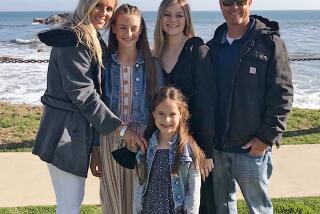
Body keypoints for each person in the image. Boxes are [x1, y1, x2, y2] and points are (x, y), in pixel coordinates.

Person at [32, 1, 148, 213]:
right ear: (86, 4)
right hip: (64, 133)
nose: (103, 13)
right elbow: (84, 95)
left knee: (72, 200)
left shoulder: (90, 37)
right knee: (69, 203)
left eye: (109, 9)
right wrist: (121, 128)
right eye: (98, 5)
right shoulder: (72, 39)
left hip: (78, 133)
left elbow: (96, 95)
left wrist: (95, 147)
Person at [206, 0, 294, 213]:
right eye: (228, 1)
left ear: (250, 2)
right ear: (220, 4)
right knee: (223, 208)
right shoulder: (212, 46)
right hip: (217, 148)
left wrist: (265, 138)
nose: (234, 6)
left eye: (240, 1)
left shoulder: (270, 43)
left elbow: (283, 95)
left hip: (252, 149)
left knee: (259, 209)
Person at [89, 4, 163, 214]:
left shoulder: (153, 65)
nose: (128, 33)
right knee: (113, 203)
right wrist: (95, 149)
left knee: (140, 203)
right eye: (122, 28)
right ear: (113, 28)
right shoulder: (104, 66)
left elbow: (162, 108)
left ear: (141, 30)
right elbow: (97, 110)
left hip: (142, 141)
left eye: (133, 28)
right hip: (110, 138)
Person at [153, 0, 216, 213]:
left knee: (196, 205)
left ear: (186, 19)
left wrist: (206, 151)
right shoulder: (155, 54)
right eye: (167, 14)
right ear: (160, 17)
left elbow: (207, 103)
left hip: (194, 147)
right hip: (164, 145)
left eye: (179, 15)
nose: (173, 20)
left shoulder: (196, 49)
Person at [135, 86, 205, 214]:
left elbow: (193, 189)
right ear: (153, 113)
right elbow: (140, 184)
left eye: (172, 114)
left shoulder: (188, 148)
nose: (166, 120)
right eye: (161, 113)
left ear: (181, 114)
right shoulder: (146, 146)